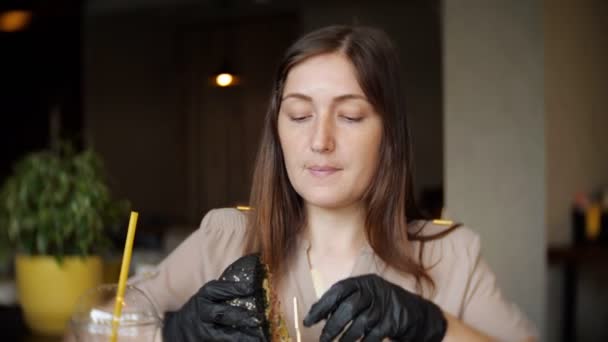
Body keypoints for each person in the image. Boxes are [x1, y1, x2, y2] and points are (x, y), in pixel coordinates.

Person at [132, 25, 538, 341]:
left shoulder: (453, 256)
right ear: (278, 131)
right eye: (299, 116)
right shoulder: (224, 237)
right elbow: (93, 326)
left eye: (349, 117)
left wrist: (433, 326)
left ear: (389, 134)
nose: (320, 141)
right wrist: (173, 333)